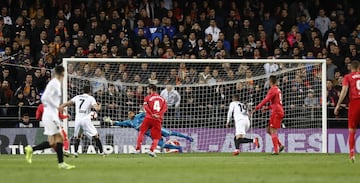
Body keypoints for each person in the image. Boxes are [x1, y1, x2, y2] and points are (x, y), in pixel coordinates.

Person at [24, 66, 75, 170]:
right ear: (62, 73)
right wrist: (58, 106)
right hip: (51, 115)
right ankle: (61, 164)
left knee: (52, 142)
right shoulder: (55, 83)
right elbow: (44, 98)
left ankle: (31, 149)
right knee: (60, 138)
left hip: (50, 115)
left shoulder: (54, 83)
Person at [104, 110, 193, 152]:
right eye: (128, 114)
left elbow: (148, 112)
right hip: (152, 135)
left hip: (156, 128)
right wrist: (111, 121)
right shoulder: (129, 122)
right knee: (162, 145)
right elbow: (120, 123)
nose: (129, 114)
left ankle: (187, 137)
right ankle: (178, 148)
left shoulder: (140, 115)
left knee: (171, 133)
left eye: (130, 113)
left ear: (133, 113)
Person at [59, 85, 104, 157]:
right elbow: (97, 109)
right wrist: (99, 105)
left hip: (78, 120)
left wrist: (61, 106)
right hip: (85, 120)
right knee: (96, 135)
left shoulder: (77, 97)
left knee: (78, 136)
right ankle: (102, 153)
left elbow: (68, 103)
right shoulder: (91, 98)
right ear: (90, 91)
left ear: (83, 91)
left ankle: (75, 153)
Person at [251, 75, 285, 155]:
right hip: (279, 110)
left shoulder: (272, 90)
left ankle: (276, 150)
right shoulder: (278, 89)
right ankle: (280, 145)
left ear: (270, 82)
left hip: (276, 112)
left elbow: (266, 100)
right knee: (269, 130)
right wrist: (266, 108)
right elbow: (276, 103)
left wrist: (257, 107)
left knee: (273, 130)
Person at [334, 60, 360, 163]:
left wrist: (338, 105)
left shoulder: (348, 77)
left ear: (351, 68)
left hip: (354, 104)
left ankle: (352, 155)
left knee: (352, 131)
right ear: (359, 68)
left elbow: (344, 91)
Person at [136, 84, 167, 157]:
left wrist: (152, 114)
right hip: (157, 120)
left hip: (148, 118)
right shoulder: (162, 98)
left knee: (141, 132)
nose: (147, 91)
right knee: (156, 137)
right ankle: (152, 150)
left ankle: (137, 149)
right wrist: (158, 115)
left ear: (151, 89)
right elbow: (165, 108)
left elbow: (146, 107)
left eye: (147, 89)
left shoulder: (148, 97)